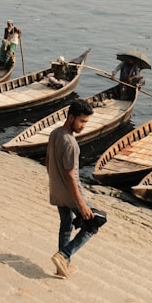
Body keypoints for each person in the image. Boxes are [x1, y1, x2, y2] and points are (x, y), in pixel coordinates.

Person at [46, 98, 101, 278]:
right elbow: (71, 176)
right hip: (70, 194)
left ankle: (62, 266)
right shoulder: (71, 143)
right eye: (82, 121)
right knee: (93, 224)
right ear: (71, 118)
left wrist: (55, 184)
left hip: (57, 191)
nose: (84, 125)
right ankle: (64, 255)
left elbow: (48, 163)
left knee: (66, 225)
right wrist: (82, 204)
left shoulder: (55, 134)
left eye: (86, 121)